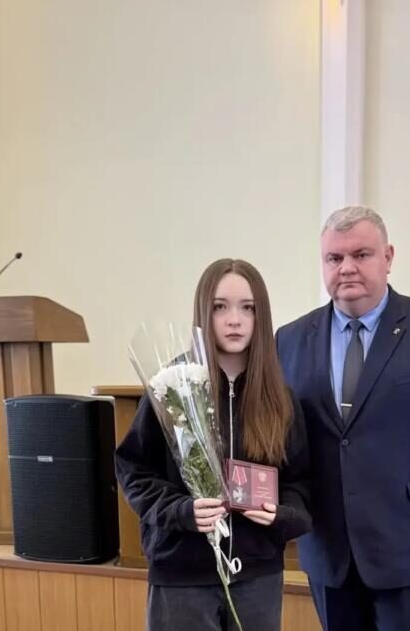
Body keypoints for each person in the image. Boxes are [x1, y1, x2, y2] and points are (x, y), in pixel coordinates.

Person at [276, 206, 410, 631]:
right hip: (329, 554)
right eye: (334, 258)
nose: (347, 268)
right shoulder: (291, 339)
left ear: (388, 257)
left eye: (361, 254)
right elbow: (280, 437)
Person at [116, 259, 312, 631]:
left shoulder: (280, 398)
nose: (234, 320)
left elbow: (300, 482)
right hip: (181, 573)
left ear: (261, 315)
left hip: (257, 575)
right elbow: (134, 472)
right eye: (220, 307)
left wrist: (282, 514)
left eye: (247, 308)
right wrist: (181, 511)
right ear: (204, 313)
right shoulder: (172, 386)